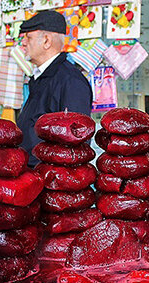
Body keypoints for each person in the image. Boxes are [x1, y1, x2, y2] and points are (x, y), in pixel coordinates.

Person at [16, 10, 93, 166]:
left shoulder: (71, 82)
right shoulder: (39, 77)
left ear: (46, 41)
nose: (23, 43)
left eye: (28, 37)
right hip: (32, 174)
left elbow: (75, 142)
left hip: (51, 180)